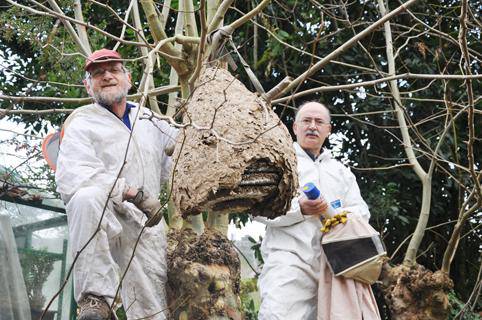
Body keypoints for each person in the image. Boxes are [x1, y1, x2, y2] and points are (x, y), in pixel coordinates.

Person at [55, 48, 177, 320]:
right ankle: (95, 299)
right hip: (102, 223)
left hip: (147, 228)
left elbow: (183, 154)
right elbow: (74, 176)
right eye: (98, 73)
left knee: (153, 311)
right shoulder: (82, 122)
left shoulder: (150, 120)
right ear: (88, 86)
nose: (107, 76)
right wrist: (132, 193)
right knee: (86, 198)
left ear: (129, 78)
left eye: (114, 70)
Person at [257, 102, 378, 319]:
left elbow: (361, 213)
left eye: (319, 122)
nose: (312, 126)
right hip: (289, 261)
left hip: (334, 267)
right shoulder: (279, 163)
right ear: (295, 127)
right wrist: (300, 209)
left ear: (328, 130)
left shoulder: (341, 172)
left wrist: (338, 216)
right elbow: (259, 209)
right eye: (306, 121)